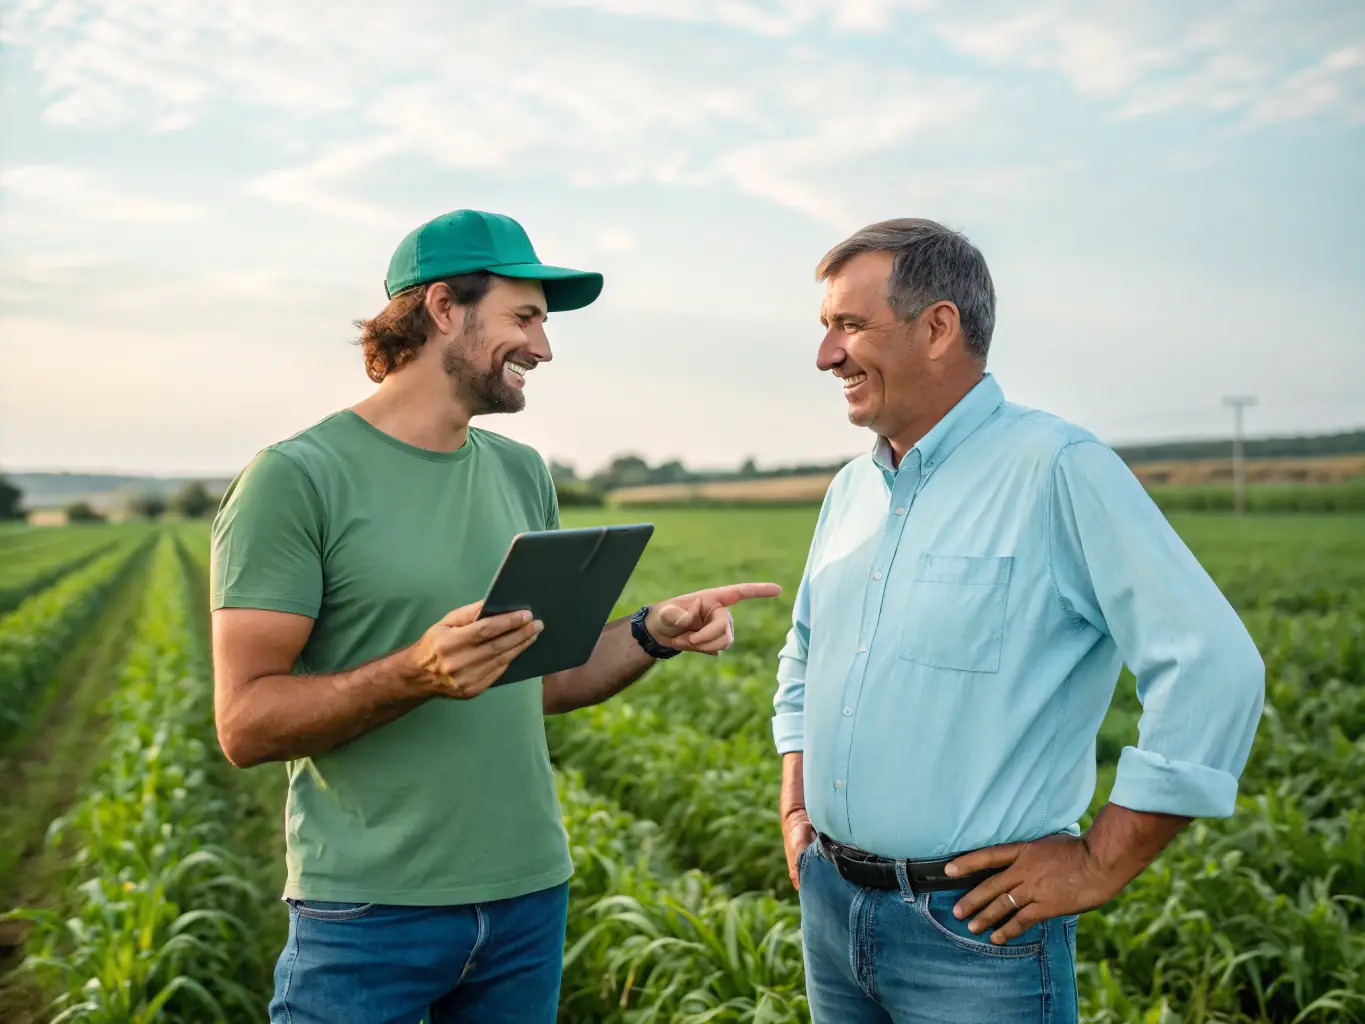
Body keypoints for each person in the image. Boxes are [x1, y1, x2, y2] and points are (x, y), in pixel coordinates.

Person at [209, 208, 780, 1024]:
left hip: (527, 901)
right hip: (370, 913)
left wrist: (654, 630)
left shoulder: (520, 473)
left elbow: (542, 678)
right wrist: (414, 673)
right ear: (443, 307)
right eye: (525, 318)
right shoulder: (296, 478)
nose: (543, 349)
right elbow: (245, 723)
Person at [772, 218, 1265, 1023]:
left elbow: (1213, 664)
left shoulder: (1057, 469)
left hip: (971, 935)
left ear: (938, 328)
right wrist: (796, 808)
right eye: (826, 328)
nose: (826, 355)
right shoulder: (848, 490)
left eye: (849, 326)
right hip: (829, 910)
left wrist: (1101, 862)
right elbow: (803, 655)